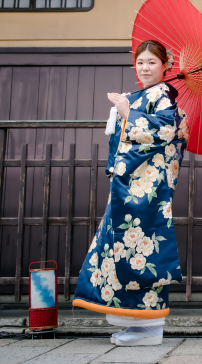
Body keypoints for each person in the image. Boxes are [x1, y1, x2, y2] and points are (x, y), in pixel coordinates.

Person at [73, 40, 189, 346]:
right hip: (129, 187)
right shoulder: (142, 95)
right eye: (140, 62)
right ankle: (134, 325)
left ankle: (149, 329)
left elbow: (165, 131)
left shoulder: (163, 95)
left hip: (147, 191)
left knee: (143, 250)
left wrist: (129, 113)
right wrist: (125, 110)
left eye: (152, 62)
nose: (145, 68)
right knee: (119, 248)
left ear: (165, 66)